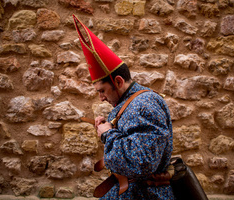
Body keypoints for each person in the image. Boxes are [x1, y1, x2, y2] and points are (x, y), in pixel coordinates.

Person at [73, 14, 174, 200]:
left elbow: (142, 162)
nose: (101, 98)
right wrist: (109, 126)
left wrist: (107, 134)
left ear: (118, 81)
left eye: (102, 91)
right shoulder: (130, 103)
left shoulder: (144, 105)